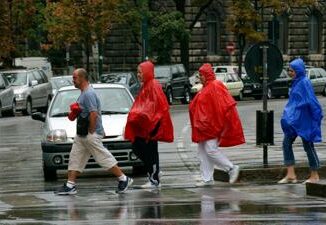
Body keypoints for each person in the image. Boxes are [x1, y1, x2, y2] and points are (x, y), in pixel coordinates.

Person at [55, 68, 133, 195]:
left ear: (82, 78)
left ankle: (123, 179)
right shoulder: (84, 93)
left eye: (74, 78)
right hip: (82, 134)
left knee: (101, 156)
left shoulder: (88, 94)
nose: (73, 80)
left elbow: (93, 113)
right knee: (75, 157)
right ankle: (70, 185)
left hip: (89, 133)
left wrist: (92, 130)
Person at [189, 63, 245, 186]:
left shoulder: (215, 85)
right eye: (199, 75)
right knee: (203, 151)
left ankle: (231, 168)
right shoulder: (206, 87)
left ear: (207, 74)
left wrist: (223, 124)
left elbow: (225, 104)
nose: (200, 77)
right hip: (205, 127)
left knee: (210, 149)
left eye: (202, 75)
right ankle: (207, 178)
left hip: (212, 126)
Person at [124, 60, 174, 189]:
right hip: (146, 125)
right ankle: (154, 173)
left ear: (146, 72)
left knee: (149, 151)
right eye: (137, 72)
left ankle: (154, 178)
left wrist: (143, 116)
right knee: (140, 148)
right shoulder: (147, 85)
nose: (138, 75)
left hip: (151, 126)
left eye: (140, 72)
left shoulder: (153, 85)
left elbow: (156, 106)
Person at [278, 58, 323, 184]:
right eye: (289, 70)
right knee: (286, 143)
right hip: (294, 121)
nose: (290, 73)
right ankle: (291, 174)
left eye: (292, 71)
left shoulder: (304, 82)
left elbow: (311, 101)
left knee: (308, 146)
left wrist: (316, 119)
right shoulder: (296, 83)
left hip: (304, 121)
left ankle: (315, 175)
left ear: (298, 70)